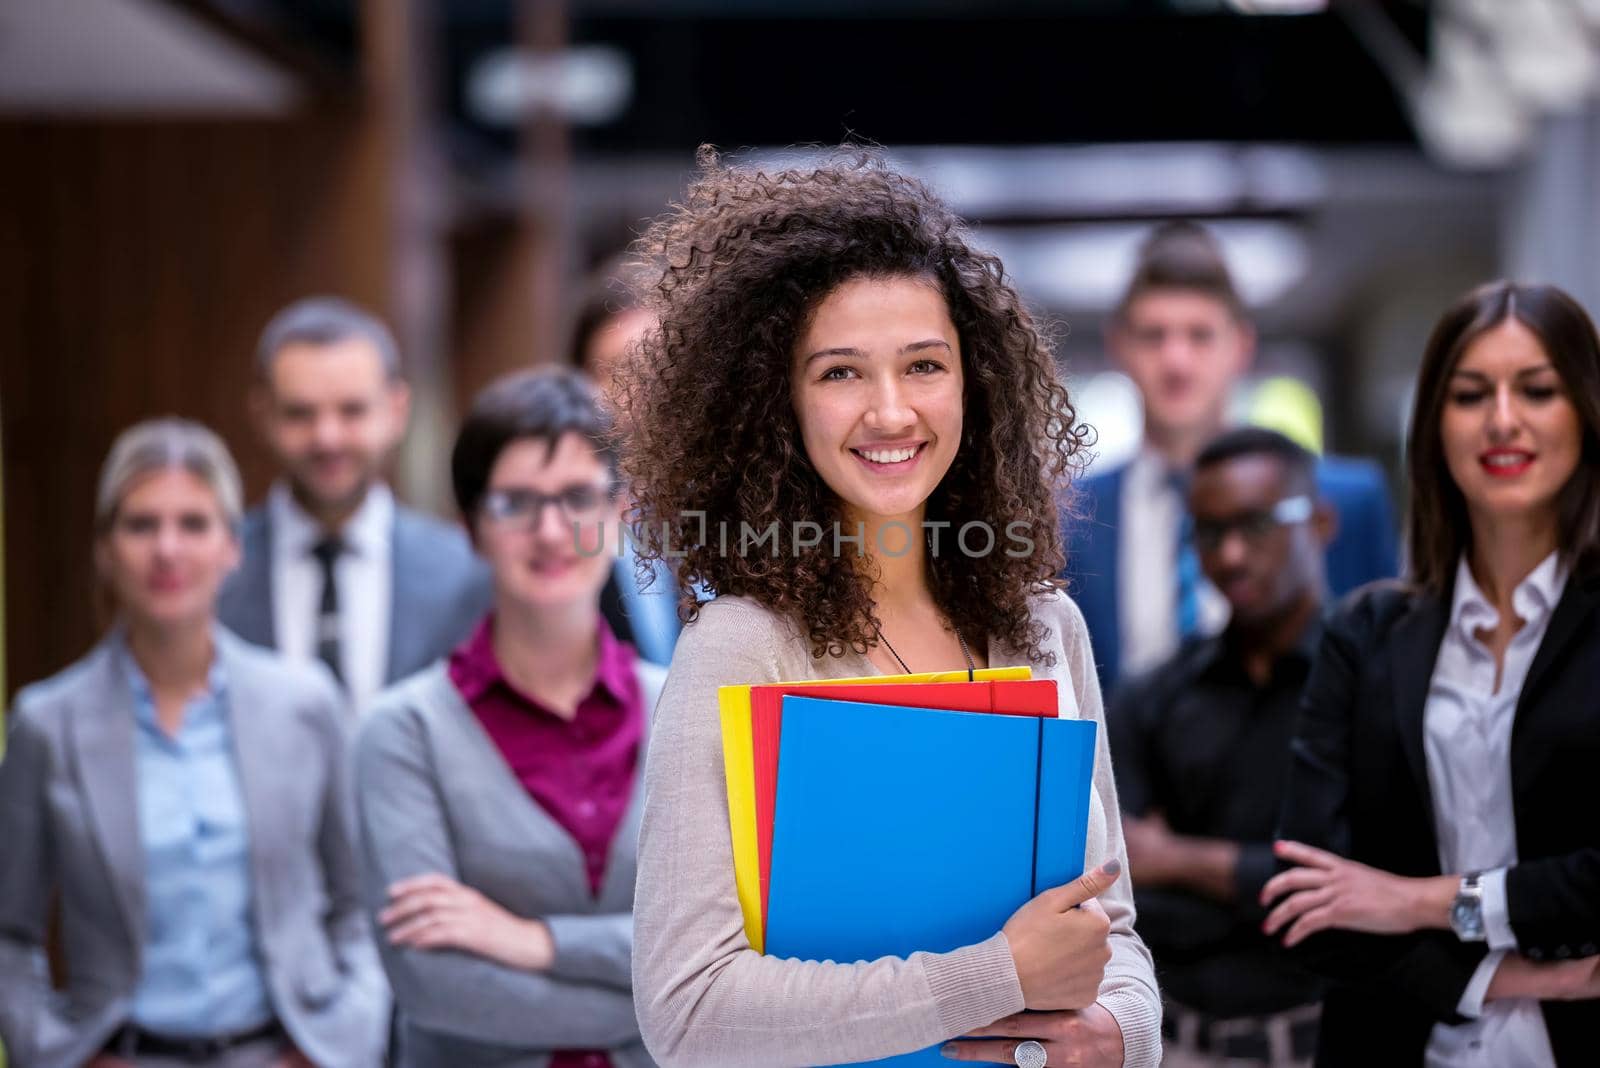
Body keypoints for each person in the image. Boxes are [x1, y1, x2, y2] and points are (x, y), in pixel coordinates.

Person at [618, 149, 1161, 1068]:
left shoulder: (1040, 631)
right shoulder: (744, 647)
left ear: (974, 384)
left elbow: (1116, 938)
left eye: (923, 365)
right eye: (839, 373)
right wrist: (998, 976)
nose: (890, 410)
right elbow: (686, 1010)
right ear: (776, 403)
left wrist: (1117, 1034)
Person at [1264, 281, 1600, 1066]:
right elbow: (1312, 904)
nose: (1503, 419)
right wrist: (1518, 976)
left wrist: (1416, 901)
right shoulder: (1364, 631)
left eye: (1539, 390)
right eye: (1471, 394)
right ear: (1435, 428)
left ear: (1585, 411)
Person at [0, 418, 389, 1068]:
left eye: (194, 524)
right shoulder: (47, 723)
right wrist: (57, 1053)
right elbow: (9, 935)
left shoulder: (303, 704)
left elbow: (359, 907)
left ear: (233, 546)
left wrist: (338, 1046)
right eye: (141, 524)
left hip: (284, 1051)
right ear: (105, 547)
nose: (167, 549)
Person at [355, 368, 666, 1068]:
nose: (552, 531)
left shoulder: (684, 710)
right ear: (470, 526)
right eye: (516, 503)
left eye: (577, 498)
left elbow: (734, 943)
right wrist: (671, 1007)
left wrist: (532, 941)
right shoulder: (402, 733)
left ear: (622, 512)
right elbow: (436, 987)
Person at [1062, 222, 1397, 688]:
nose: (1176, 361)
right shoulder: (1068, 518)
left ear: (1241, 346)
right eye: (1154, 336)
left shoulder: (1348, 501)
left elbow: (1382, 673)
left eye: (1200, 335)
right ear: (1119, 345)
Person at [1109, 428, 1332, 1067]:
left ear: (1319, 522)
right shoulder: (1155, 696)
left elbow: (1366, 884)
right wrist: (1263, 880)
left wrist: (1176, 858)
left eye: (1256, 525)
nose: (1231, 554)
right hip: (1178, 1041)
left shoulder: (1375, 682)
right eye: (1208, 532)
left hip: (1330, 1038)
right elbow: (1123, 887)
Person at [217, 296, 489, 712]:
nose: (327, 437)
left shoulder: (465, 573)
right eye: (300, 413)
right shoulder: (215, 570)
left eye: (352, 411)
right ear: (262, 415)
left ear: (397, 411)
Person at [569, 260, 685, 667]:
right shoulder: (556, 525)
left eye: (659, 369)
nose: (639, 395)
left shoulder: (753, 510)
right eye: (616, 372)